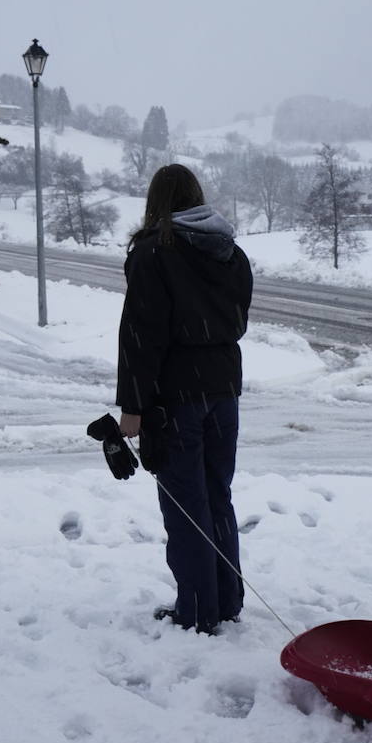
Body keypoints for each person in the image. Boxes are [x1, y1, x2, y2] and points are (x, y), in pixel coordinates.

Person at [116, 164, 253, 635]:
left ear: (156, 200)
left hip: (175, 398)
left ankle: (197, 610)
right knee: (217, 497)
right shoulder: (230, 253)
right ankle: (226, 599)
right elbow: (236, 322)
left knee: (185, 505)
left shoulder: (154, 252)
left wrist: (132, 406)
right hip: (223, 392)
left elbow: (141, 335)